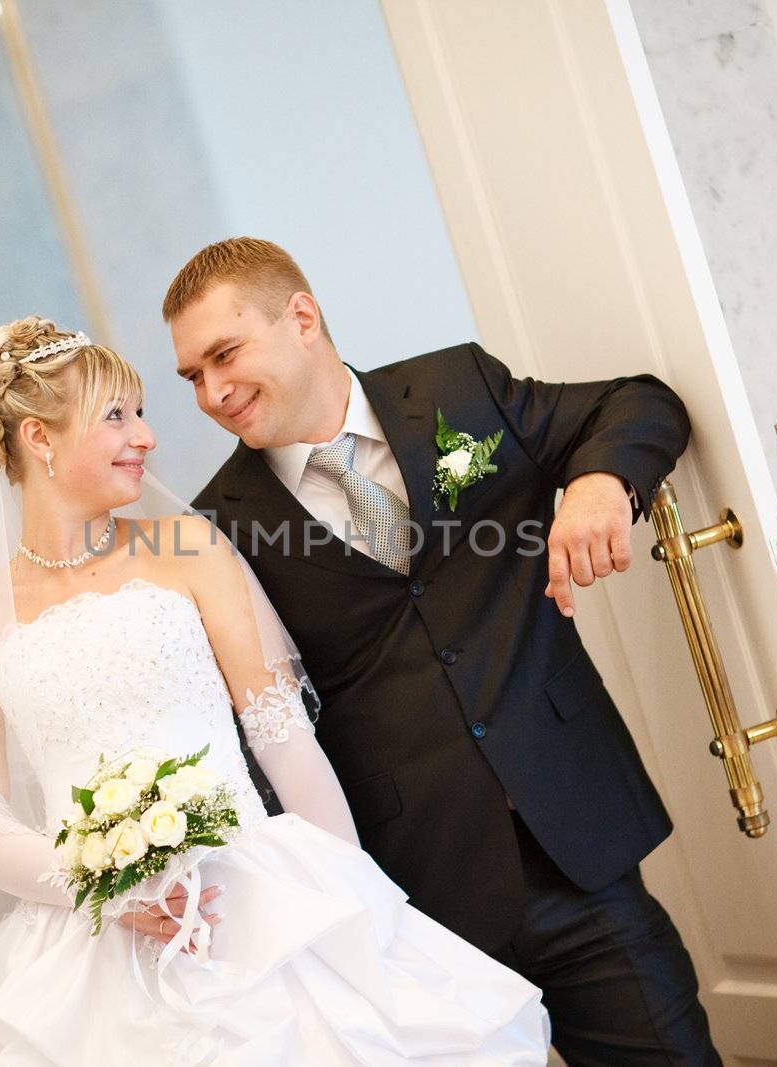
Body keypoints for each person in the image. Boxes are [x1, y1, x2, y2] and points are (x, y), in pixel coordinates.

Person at [0, 316, 550, 1064]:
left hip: (260, 901)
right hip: (90, 946)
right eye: (117, 416)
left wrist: (359, 905)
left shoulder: (189, 548)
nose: (146, 438)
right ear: (40, 439)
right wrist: (103, 885)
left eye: (142, 412)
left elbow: (285, 739)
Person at [168, 237, 717, 1065]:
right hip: (416, 912)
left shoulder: (459, 389)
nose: (211, 392)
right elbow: (258, 737)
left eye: (224, 354)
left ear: (303, 318)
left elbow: (640, 403)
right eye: (192, 376)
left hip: (580, 862)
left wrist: (599, 486)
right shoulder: (221, 525)